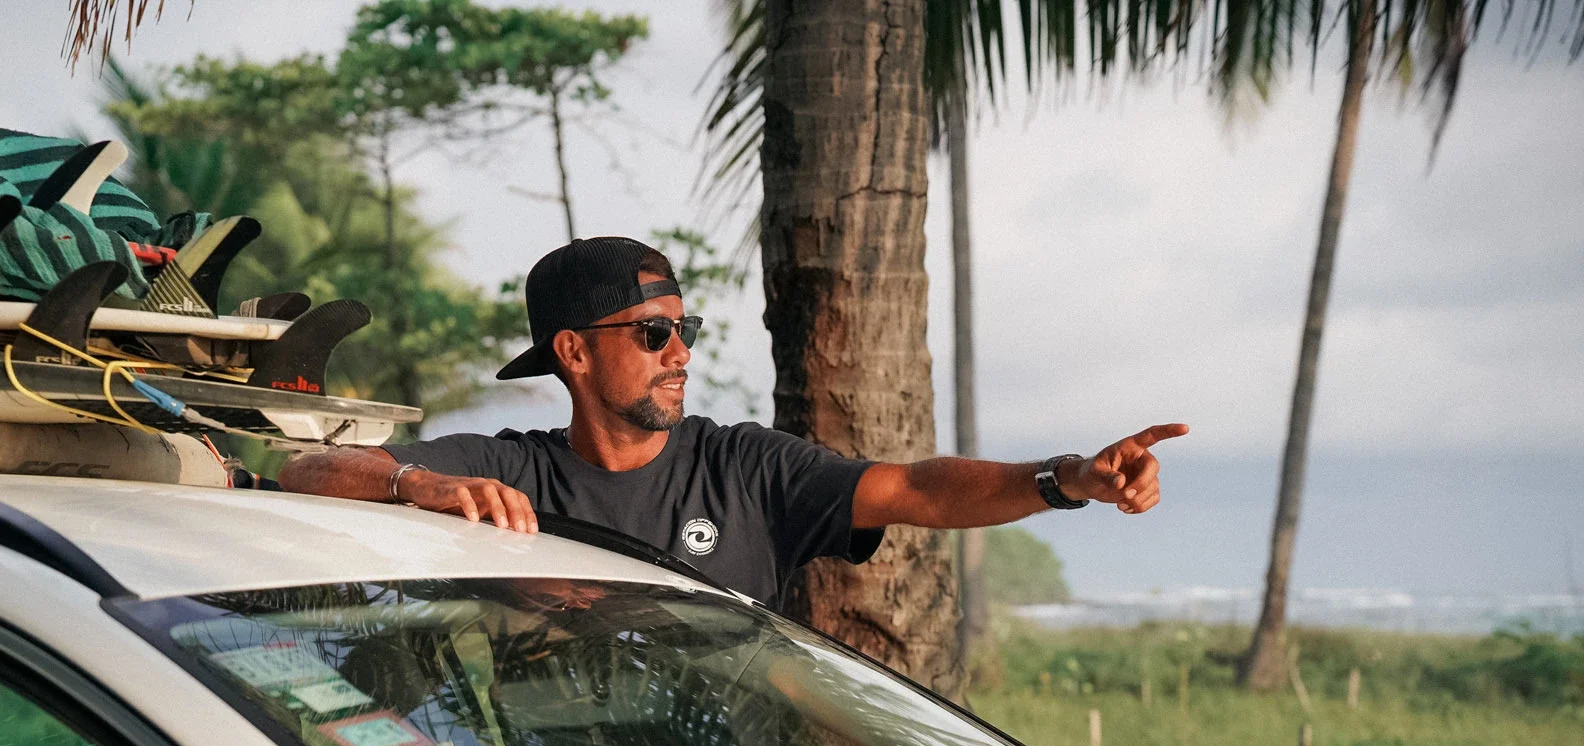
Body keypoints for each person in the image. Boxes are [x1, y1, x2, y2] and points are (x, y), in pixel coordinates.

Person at [279, 235, 1188, 611]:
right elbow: (302, 476)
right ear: (575, 353)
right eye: (653, 332)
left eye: (686, 330)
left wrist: (1065, 479)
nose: (680, 352)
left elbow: (915, 487)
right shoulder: (505, 471)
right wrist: (416, 484)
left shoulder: (747, 470)